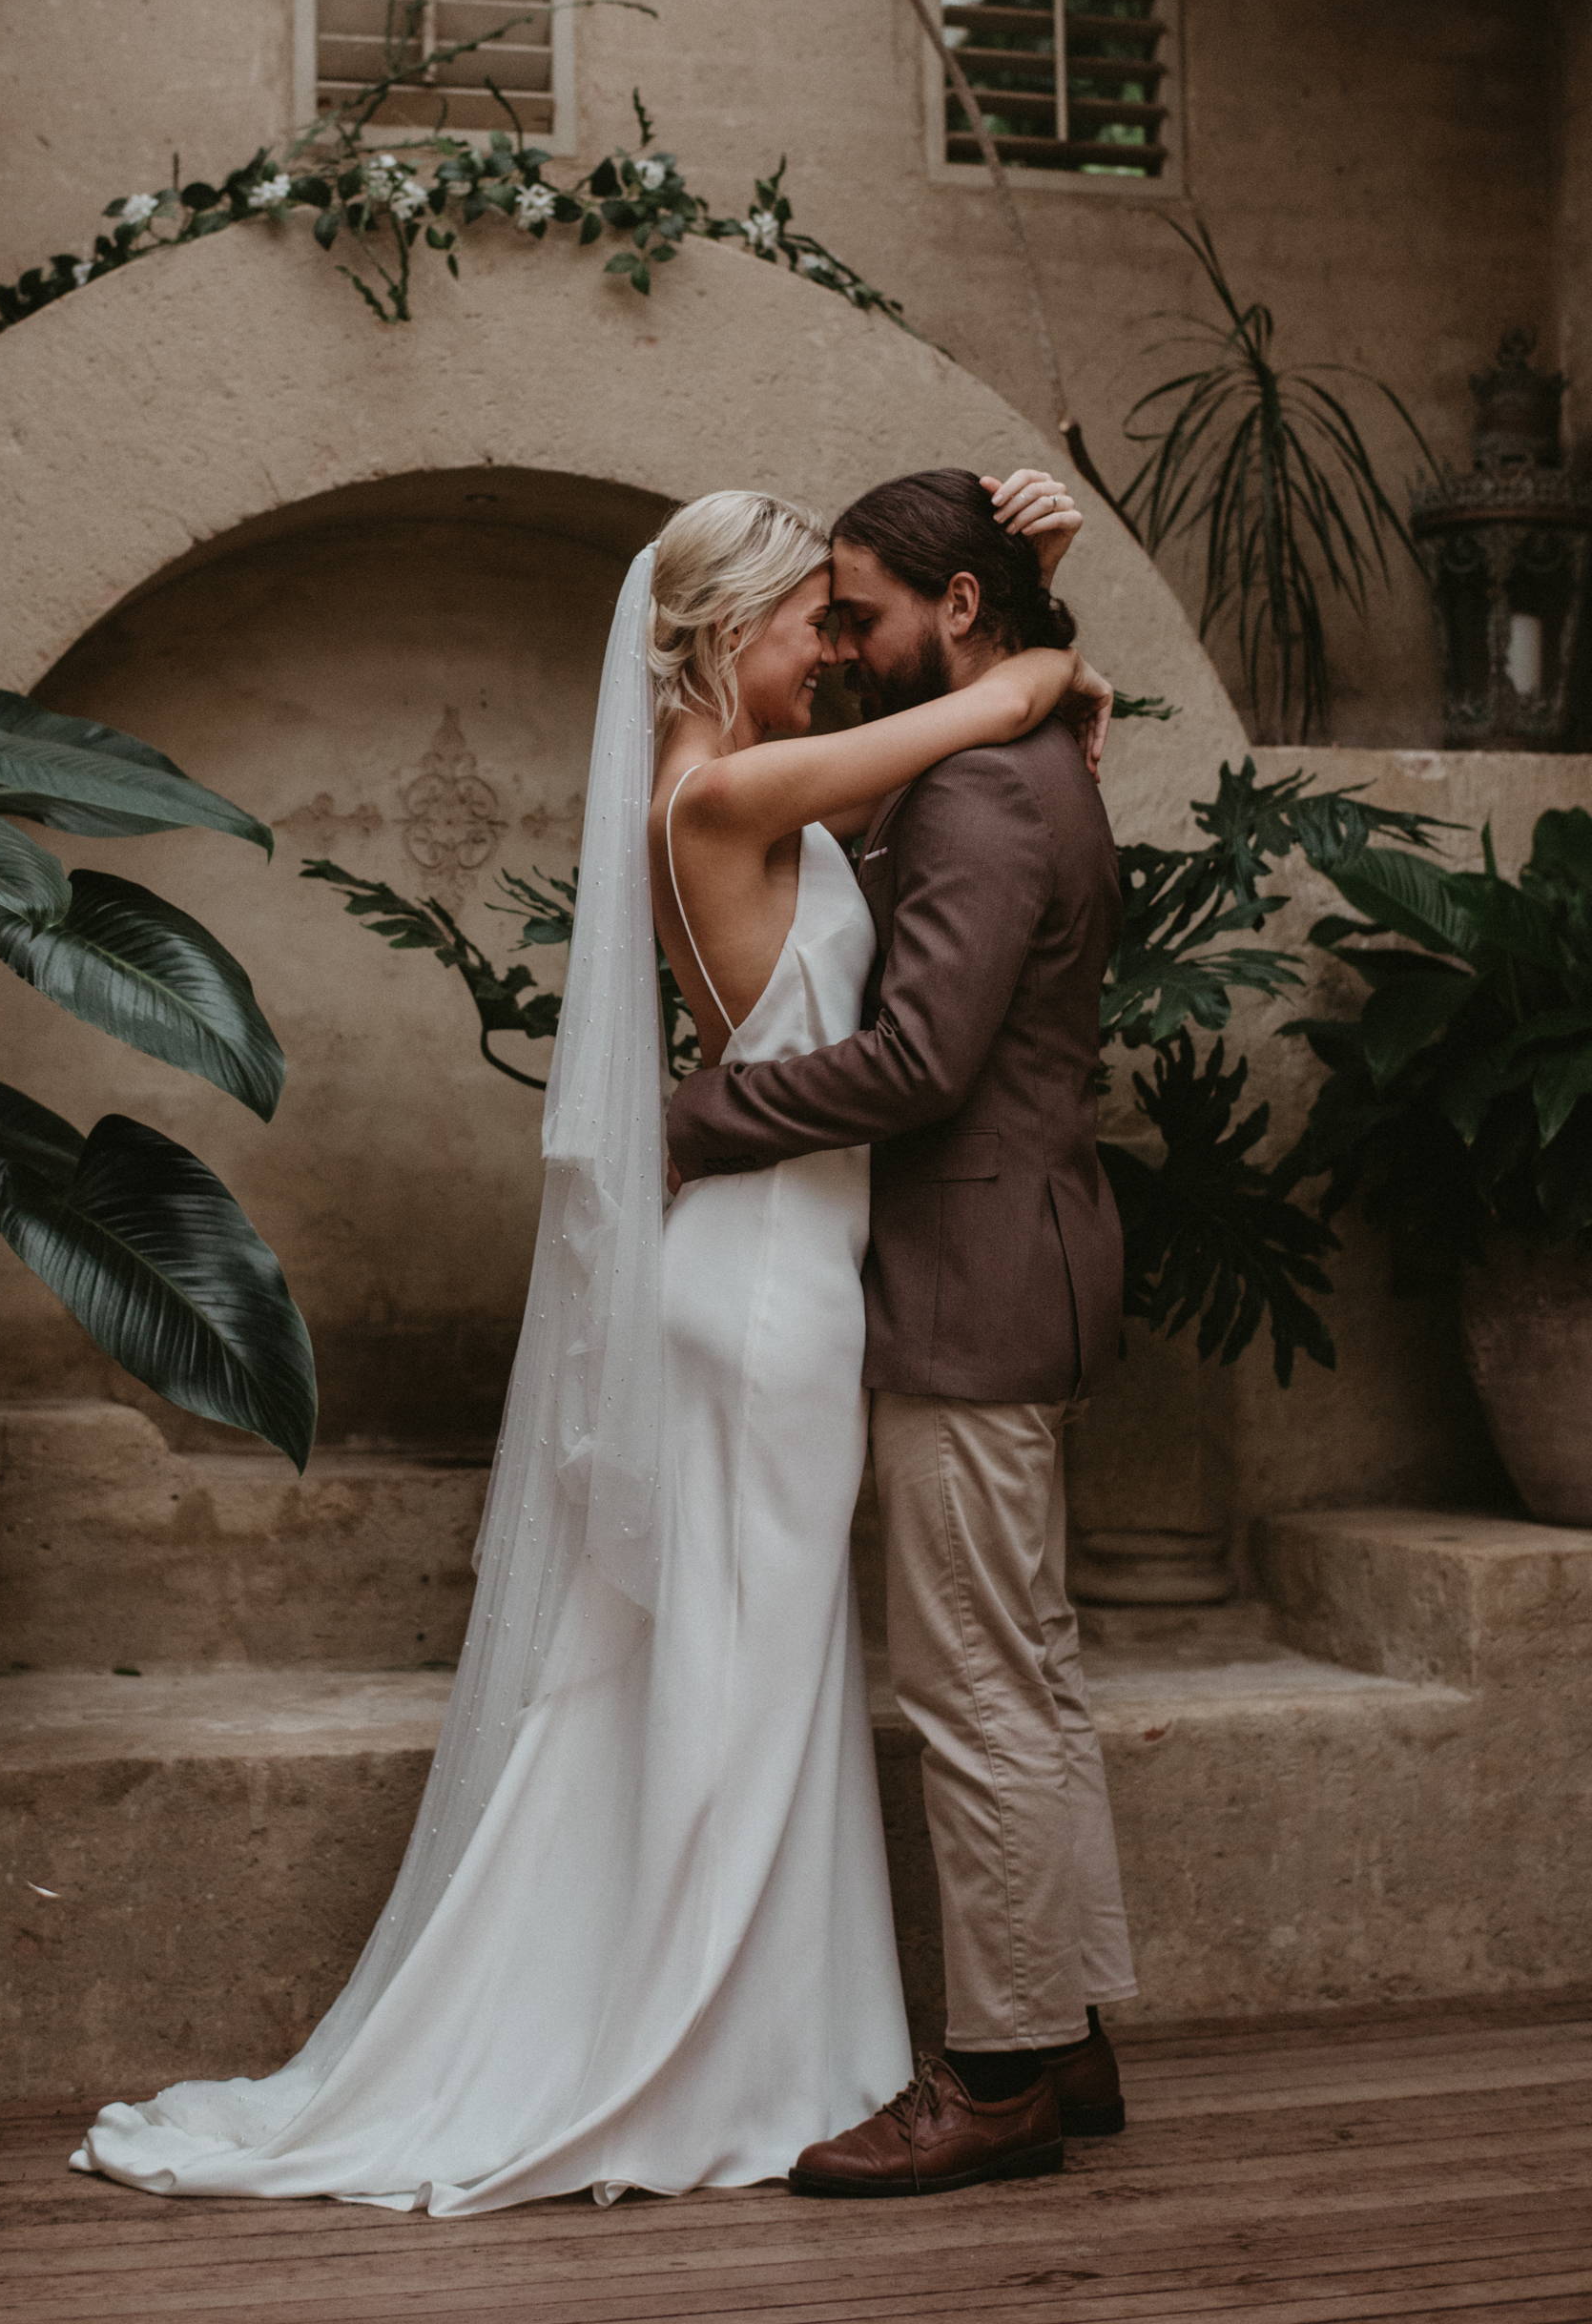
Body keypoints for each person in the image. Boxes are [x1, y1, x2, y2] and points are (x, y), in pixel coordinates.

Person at [72, 466, 1106, 2215]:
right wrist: (1018, 646)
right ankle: (722, 2036)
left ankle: (787, 2025)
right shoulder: (722, 796)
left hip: (789, 1272)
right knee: (746, 1681)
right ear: (719, 635)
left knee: (753, 1678)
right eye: (814, 624)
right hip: (768, 1292)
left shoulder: (755, 791)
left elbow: (983, 761)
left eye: (855, 620)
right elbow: (999, 712)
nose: (839, 655)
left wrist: (1021, 602)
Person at [668, 465, 1138, 2203]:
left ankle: (1001, 2076)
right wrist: (1053, 649)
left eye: (861, 607)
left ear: (959, 606)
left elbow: (921, 1064)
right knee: (1031, 1661)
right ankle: (1069, 2034)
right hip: (1029, 1256)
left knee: (970, 1684)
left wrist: (702, 1119)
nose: (843, 642)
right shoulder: (1023, 753)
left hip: (966, 1281)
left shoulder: (978, 797)